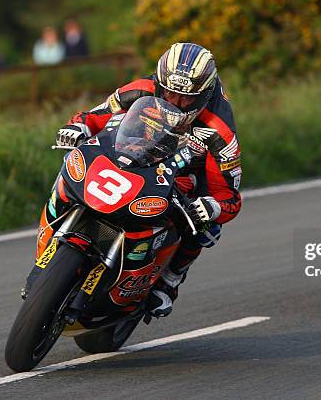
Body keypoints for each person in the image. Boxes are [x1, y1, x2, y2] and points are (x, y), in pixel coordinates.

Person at [28, 43, 242, 318]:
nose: (174, 103)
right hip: (135, 153)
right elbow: (96, 115)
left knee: (206, 227)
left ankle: (170, 281)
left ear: (204, 94)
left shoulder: (220, 133)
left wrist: (211, 207)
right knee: (81, 162)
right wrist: (77, 127)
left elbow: (229, 197)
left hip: (188, 175)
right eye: (168, 93)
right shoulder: (141, 88)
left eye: (185, 99)